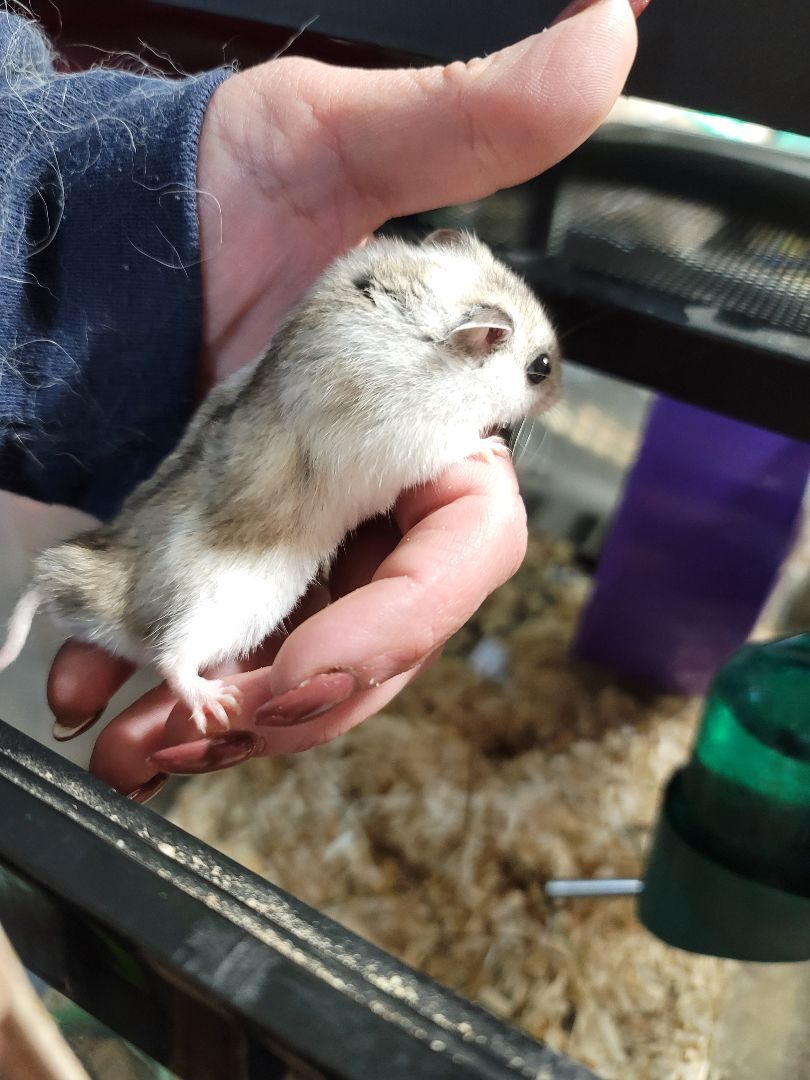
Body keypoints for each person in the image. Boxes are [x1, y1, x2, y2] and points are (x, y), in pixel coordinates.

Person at [0, 0, 645, 800]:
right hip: (243, 533)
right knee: (231, 597)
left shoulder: (390, 312)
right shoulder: (390, 377)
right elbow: (383, 453)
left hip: (239, 482)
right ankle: (176, 658)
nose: (542, 393)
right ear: (481, 341)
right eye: (535, 370)